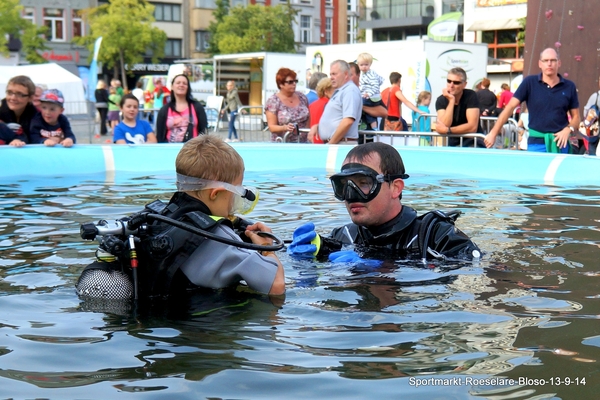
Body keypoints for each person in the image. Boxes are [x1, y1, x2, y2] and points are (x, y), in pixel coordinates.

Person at [75, 135, 285, 300]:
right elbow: (275, 286)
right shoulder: (219, 239)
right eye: (236, 194)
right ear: (216, 193)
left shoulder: (157, 217)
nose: (236, 203)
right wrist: (266, 247)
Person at [287, 142, 481, 262]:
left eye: (364, 183)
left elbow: (483, 275)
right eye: (344, 186)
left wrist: (379, 269)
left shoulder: (435, 236)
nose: (351, 195)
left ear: (396, 187)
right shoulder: (343, 237)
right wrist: (310, 264)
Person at [484, 48, 580, 153]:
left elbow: (576, 117)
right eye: (545, 60)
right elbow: (510, 107)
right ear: (540, 63)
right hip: (536, 144)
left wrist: (568, 129)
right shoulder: (529, 82)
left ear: (559, 63)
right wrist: (493, 133)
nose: (549, 64)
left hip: (561, 143)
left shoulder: (569, 86)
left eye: (553, 60)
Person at [308, 60, 362, 144]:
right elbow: (337, 118)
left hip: (341, 144)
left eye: (334, 74)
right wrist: (318, 127)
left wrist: (331, 143)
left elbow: (348, 120)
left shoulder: (350, 91)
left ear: (346, 74)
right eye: (330, 74)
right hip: (338, 143)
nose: (331, 77)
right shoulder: (341, 91)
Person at [435, 67, 485, 148]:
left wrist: (448, 130)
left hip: (473, 143)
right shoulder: (441, 100)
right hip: (453, 144)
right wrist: (451, 101)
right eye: (449, 81)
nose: (451, 85)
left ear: (464, 84)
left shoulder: (471, 95)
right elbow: (444, 125)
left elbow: (472, 127)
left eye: (456, 82)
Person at [156, 74, 207, 143]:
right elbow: (160, 135)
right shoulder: (164, 110)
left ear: (188, 87)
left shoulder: (197, 107)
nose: (181, 85)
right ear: (172, 87)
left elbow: (204, 132)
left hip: (192, 150)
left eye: (184, 83)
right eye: (178, 83)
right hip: (169, 150)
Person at [265, 68, 310, 143]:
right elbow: (272, 127)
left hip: (302, 142)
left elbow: (308, 118)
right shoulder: (273, 101)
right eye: (290, 82)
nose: (294, 84)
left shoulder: (302, 97)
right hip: (283, 143)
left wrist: (307, 133)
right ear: (281, 84)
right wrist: (285, 128)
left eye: (295, 81)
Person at [0, 75, 37, 146]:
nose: (13, 98)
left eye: (19, 94)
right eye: (9, 92)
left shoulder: (38, 117)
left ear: (31, 98)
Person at [357, 53, 385, 130]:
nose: (364, 67)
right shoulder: (364, 74)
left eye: (366, 65)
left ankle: (372, 126)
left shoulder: (370, 74)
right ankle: (373, 126)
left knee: (358, 105)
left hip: (371, 97)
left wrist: (369, 93)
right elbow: (380, 80)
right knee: (369, 112)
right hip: (371, 96)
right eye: (361, 65)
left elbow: (375, 85)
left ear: (370, 64)